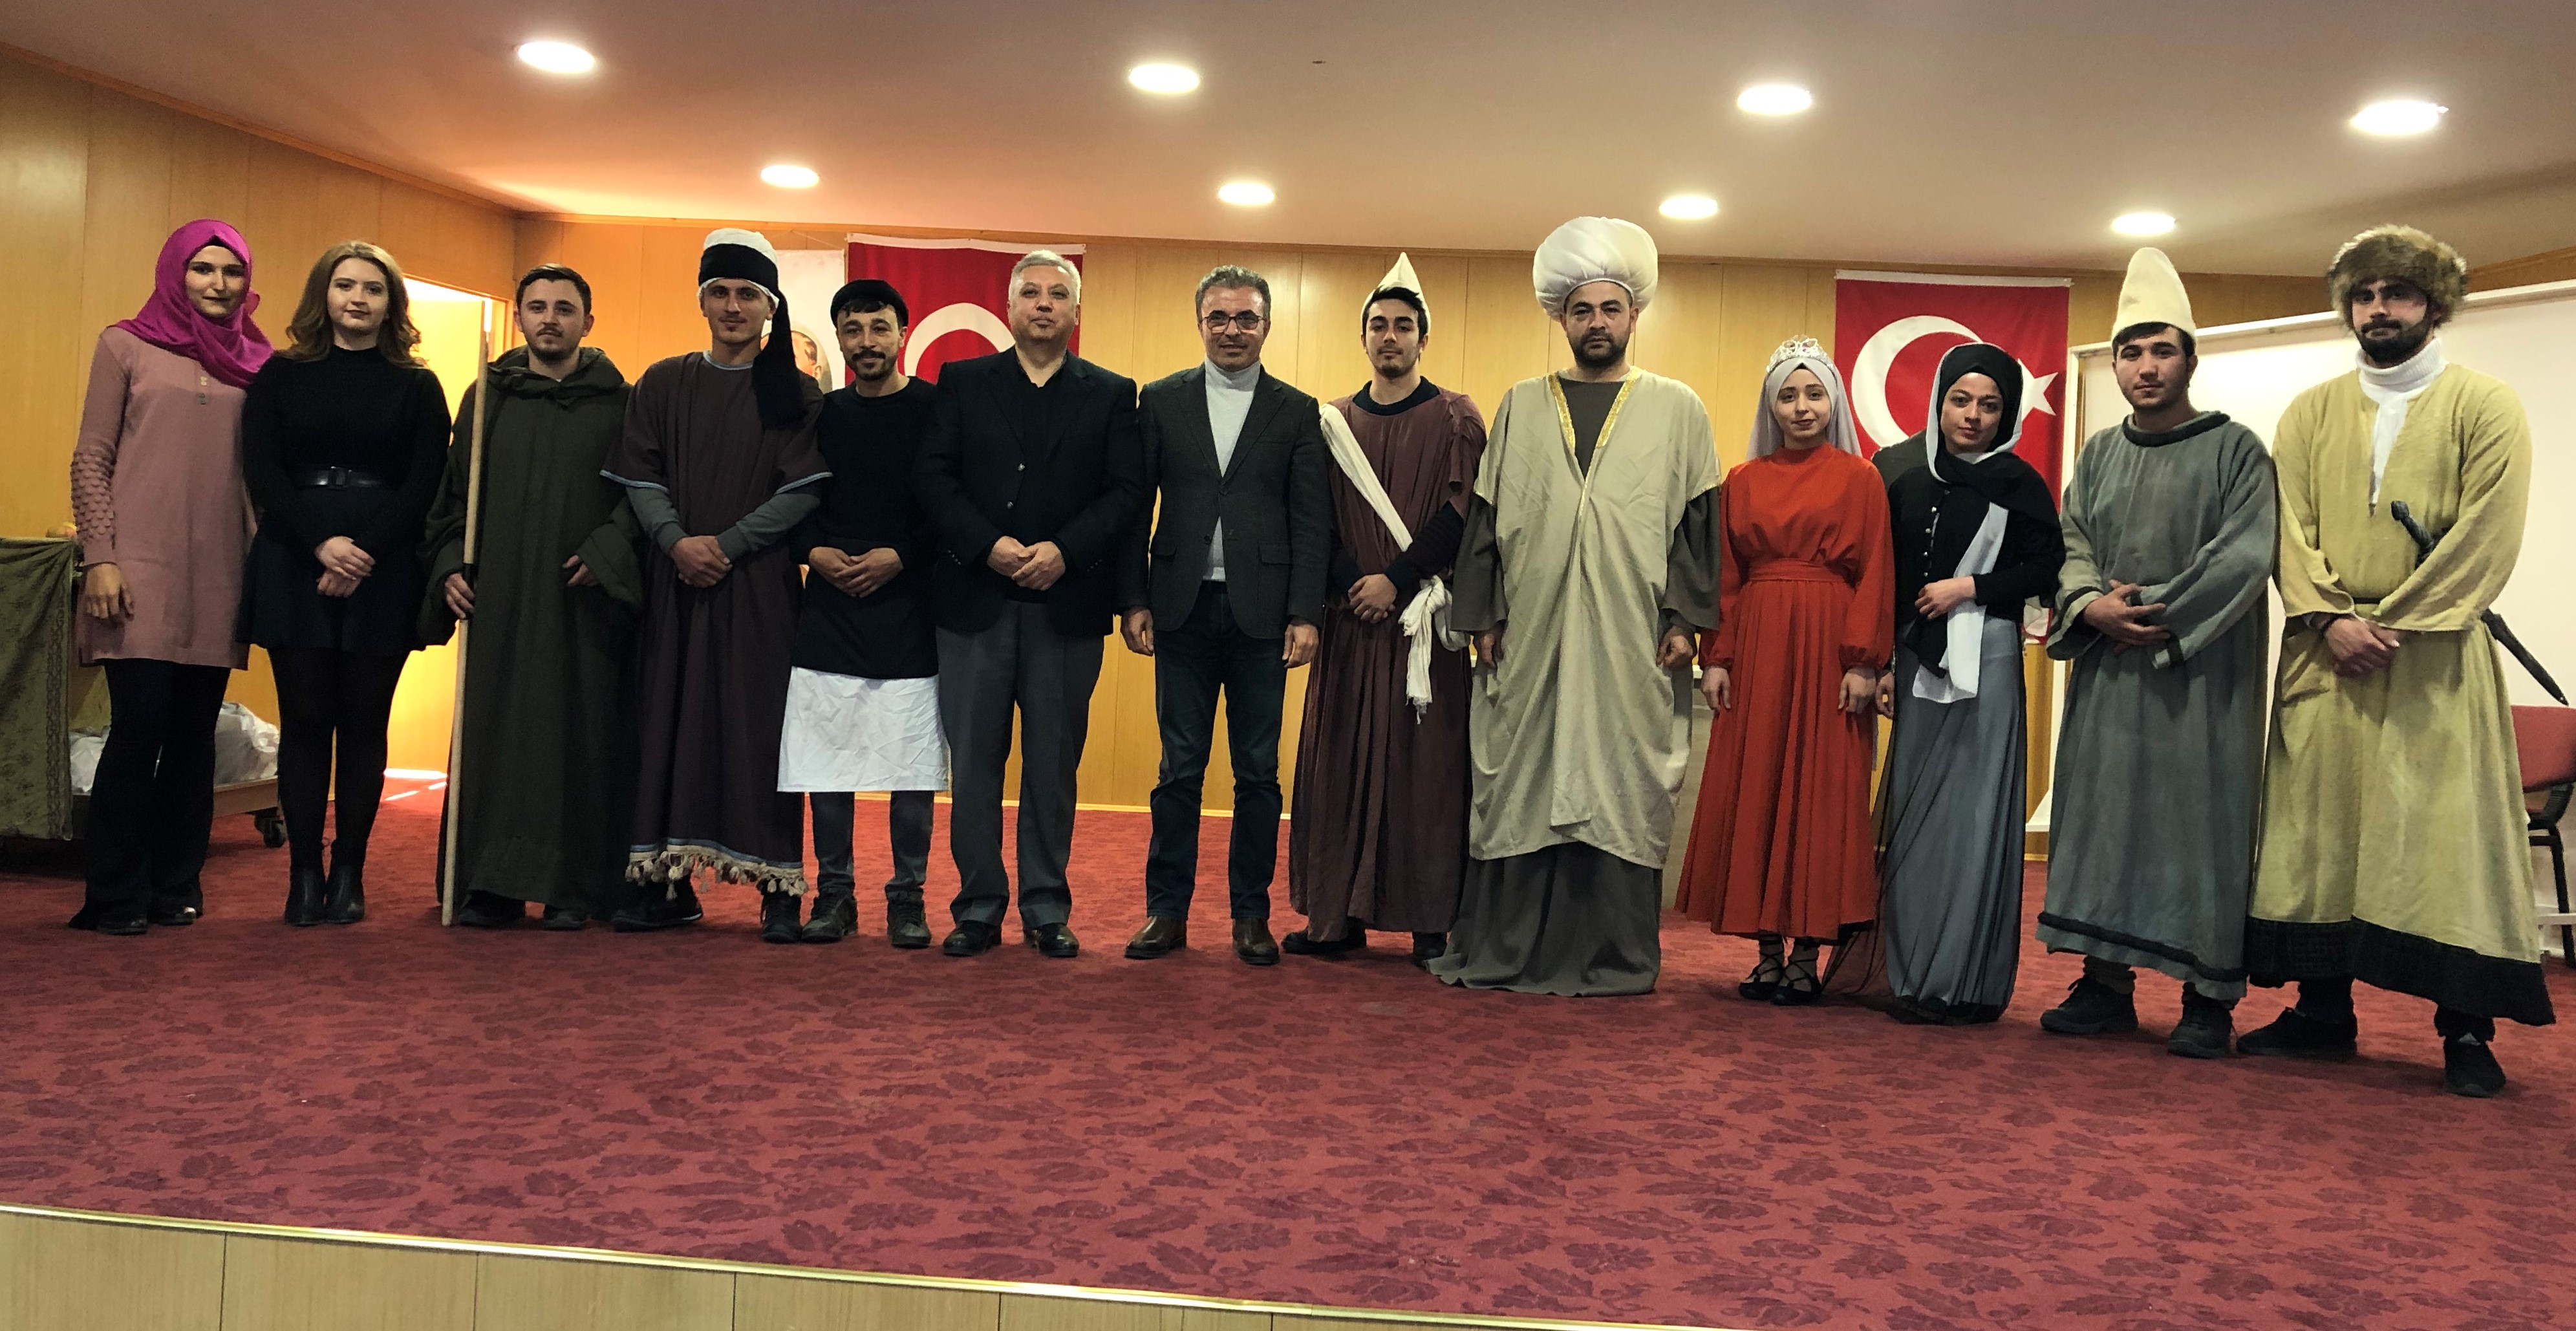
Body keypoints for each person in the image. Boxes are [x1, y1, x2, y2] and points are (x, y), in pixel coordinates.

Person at [2244, 224, 2551, 1097]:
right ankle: (2321, 1013)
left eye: (2398, 293)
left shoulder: (2485, 405)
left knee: (2446, 838)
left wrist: (2396, 626)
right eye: (2365, 295)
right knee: (2319, 831)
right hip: (2325, 652)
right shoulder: (2309, 412)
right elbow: (2286, 527)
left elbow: (2488, 532)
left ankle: (2466, 1029)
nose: (2379, 309)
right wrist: (2330, 618)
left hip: (2436, 656)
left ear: (2434, 305)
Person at [1435, 217, 1721, 996]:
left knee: (1619, 777)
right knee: (1521, 776)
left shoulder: (1679, 408)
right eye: (1582, 310)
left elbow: (1698, 526)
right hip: (1530, 634)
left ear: (1635, 315)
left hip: (1632, 633)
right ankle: (1510, 945)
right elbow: (1487, 520)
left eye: (1610, 309)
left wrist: (1685, 621)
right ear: (1561, 319)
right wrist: (1484, 615)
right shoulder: (1523, 404)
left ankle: (1611, 954)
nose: (1597, 323)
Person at [2035, 249, 2276, 1056]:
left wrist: (2150, 613)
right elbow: (2071, 540)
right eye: (2131, 352)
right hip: (2111, 672)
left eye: (2162, 350)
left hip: (2201, 680)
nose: (2146, 367)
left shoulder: (2237, 450)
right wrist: (2089, 605)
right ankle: (2104, 984)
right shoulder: (2100, 453)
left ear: (2190, 361)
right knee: (2104, 824)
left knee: (2201, 831)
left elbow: (2244, 556)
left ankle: (2208, 999)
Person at [914, 250, 1146, 959]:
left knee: (1053, 765)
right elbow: (933, 477)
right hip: (975, 602)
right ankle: (978, 906)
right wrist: (987, 545)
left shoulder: (1112, 393)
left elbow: (1127, 493)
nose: (1043, 303)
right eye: (1031, 293)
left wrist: (1064, 552)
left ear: (1075, 312)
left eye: (1057, 294)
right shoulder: (962, 381)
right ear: (1009, 307)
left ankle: (1047, 906)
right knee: (974, 765)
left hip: (1066, 607)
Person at [602, 229, 828, 941]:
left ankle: (777, 888)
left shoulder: (795, 393)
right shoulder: (663, 383)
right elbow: (641, 475)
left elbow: (803, 490)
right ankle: (664, 883)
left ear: (770, 307)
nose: (733, 306)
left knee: (759, 732)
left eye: (748, 294)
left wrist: (724, 546)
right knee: (666, 723)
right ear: (702, 300)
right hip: (673, 583)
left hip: (757, 588)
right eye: (720, 292)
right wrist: (676, 542)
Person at [1117, 266, 1328, 968]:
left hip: (1263, 619)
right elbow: (1135, 509)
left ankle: (1250, 915)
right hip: (1180, 610)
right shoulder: (1162, 400)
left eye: (1246, 318)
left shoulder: (1296, 410)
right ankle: (1166, 912)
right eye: (1219, 317)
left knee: (1258, 773)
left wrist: (1305, 612)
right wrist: (1134, 598)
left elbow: (1311, 521)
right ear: (1200, 323)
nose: (1232, 330)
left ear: (1266, 326)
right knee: (1179, 770)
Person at [66, 219, 272, 935]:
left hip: (220, 572)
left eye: (232, 272)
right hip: (135, 569)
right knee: (140, 726)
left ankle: (176, 885)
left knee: (193, 735)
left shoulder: (262, 364)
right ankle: (114, 895)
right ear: (175, 273)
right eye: (203, 269)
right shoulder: (124, 345)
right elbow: (91, 457)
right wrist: (100, 556)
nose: (218, 284)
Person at [422, 264, 640, 931]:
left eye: (564, 308)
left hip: (580, 604)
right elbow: (453, 496)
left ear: (588, 322)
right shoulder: (487, 397)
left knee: (580, 737)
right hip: (502, 602)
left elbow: (644, 495)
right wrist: (449, 567)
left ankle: (573, 886)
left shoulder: (622, 404)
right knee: (495, 735)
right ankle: (490, 884)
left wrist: (608, 550)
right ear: (519, 317)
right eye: (537, 307)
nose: (550, 319)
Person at [238, 241, 450, 927]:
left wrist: (364, 552)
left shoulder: (417, 384)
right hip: (295, 554)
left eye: (373, 289)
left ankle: (349, 871)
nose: (358, 299)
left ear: (392, 304)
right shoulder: (279, 374)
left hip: (383, 565)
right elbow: (263, 470)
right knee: (304, 722)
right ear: (322, 296)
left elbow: (425, 482)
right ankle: (303, 875)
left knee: (364, 724)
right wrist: (322, 544)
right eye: (345, 286)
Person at [1677, 338, 1893, 1004]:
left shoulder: (1861, 478)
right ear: (1771, 405)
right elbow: (1726, 574)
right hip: (1760, 641)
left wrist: (1864, 662)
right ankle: (1768, 951)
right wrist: (1718, 656)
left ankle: (1806, 955)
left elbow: (1875, 572)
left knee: (1820, 790)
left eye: (1814, 394)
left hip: (1829, 644)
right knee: (1760, 786)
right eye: (1789, 395)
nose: (1802, 407)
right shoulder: (1742, 480)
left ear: (1834, 402)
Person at [1285, 255, 1487, 968]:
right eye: (1379, 325)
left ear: (1423, 339)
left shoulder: (1456, 417)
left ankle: (1429, 920)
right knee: (1339, 763)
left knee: (1426, 772)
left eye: (1403, 326)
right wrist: (1355, 583)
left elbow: (1462, 512)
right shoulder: (1330, 422)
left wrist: (1395, 581)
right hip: (1351, 621)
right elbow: (1312, 517)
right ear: (1364, 336)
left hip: (1419, 623)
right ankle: (1337, 917)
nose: (1390, 336)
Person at [1871, 341, 2063, 1023]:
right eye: (1960, 400)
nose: (1973, 416)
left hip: (1991, 660)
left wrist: (1970, 587)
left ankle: (1964, 981)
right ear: (1939, 404)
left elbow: (2046, 568)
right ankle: (1912, 975)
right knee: (1918, 815)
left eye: (1989, 405)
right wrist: (1884, 664)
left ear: (2006, 415)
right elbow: (1889, 577)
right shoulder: (1905, 479)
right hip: (1916, 662)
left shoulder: (2021, 484)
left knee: (1975, 818)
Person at [780, 279, 946, 948]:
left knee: (912, 764)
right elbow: (790, 497)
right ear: (840, 340)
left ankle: (907, 899)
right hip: (829, 605)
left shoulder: (937, 410)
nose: (867, 342)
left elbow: (952, 504)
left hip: (910, 605)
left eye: (880, 328)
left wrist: (900, 556)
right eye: (853, 330)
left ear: (902, 333)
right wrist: (813, 552)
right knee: (827, 763)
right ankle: (835, 896)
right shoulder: (820, 415)